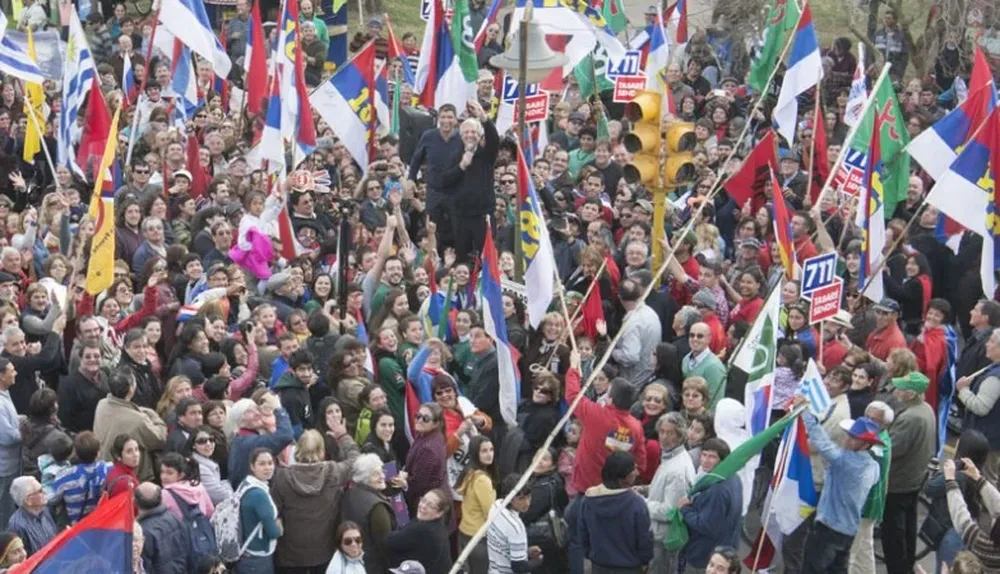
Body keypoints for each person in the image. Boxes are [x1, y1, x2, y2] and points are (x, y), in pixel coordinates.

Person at [789, 395, 882, 573]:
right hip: (849, 530)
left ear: (865, 444)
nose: (847, 440)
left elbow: (822, 443)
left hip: (828, 528)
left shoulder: (845, 461)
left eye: (853, 438)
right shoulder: (873, 466)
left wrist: (805, 413)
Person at [271, 427, 360, 573]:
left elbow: (273, 512)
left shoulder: (282, 477)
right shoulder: (333, 472)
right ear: (322, 452)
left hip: (290, 556)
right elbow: (355, 460)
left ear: (298, 449)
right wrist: (344, 436)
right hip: (323, 555)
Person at [564, 350, 646, 495]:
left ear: (610, 399)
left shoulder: (596, 415)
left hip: (587, 487)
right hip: (616, 490)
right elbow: (640, 462)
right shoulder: (636, 427)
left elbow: (572, 396)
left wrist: (573, 367)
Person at [883, 371, 937, 574]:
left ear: (911, 394)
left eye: (900, 388)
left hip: (898, 482)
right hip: (914, 479)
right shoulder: (926, 410)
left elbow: (891, 449)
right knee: (908, 528)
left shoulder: (909, 418)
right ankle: (907, 566)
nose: (896, 390)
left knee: (894, 535)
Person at [578, 451, 653, 573]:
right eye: (633, 469)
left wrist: (590, 554)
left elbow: (583, 533)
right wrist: (645, 561)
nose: (637, 473)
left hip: (599, 566)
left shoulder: (588, 500)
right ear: (623, 475)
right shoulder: (636, 504)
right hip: (629, 568)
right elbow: (644, 539)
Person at [641, 412, 695, 574]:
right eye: (662, 431)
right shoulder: (670, 457)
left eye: (670, 433)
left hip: (663, 539)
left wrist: (642, 502)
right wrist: (645, 489)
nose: (664, 437)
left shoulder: (678, 469)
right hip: (658, 535)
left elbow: (669, 511)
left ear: (680, 436)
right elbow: (664, 489)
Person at [677, 438, 741, 571]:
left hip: (705, 556)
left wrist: (685, 508)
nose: (705, 460)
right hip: (725, 550)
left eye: (712, 457)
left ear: (723, 460)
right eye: (704, 455)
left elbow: (705, 525)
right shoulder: (733, 477)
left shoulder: (717, 489)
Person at [93, 369, 167, 482]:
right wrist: (155, 418)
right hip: (130, 478)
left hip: (104, 471)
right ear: (131, 389)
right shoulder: (138, 420)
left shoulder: (101, 404)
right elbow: (159, 439)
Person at [956, 327, 1000, 484]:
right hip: (990, 440)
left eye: (992, 341)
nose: (987, 344)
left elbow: (980, 407)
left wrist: (963, 390)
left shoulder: (995, 378)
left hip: (984, 441)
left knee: (983, 481)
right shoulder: (993, 368)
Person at [340, 453, 397, 574]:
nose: (382, 476)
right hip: (373, 565)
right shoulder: (377, 507)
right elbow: (385, 544)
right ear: (365, 478)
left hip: (352, 560)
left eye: (381, 471)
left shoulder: (350, 493)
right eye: (376, 474)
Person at [227, 393, 295, 487]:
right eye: (250, 411)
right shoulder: (248, 442)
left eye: (256, 409)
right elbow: (285, 436)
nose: (257, 413)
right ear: (240, 420)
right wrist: (278, 409)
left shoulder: (242, 438)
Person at [236, 448, 283, 574]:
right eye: (262, 464)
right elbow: (273, 532)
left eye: (270, 463)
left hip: (246, 554)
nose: (268, 468)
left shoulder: (245, 484)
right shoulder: (258, 495)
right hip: (258, 558)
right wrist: (279, 526)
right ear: (252, 466)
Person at [387, 488, 454, 574]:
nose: (423, 506)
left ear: (440, 513)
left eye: (430, 505)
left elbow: (389, 541)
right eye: (423, 500)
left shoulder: (423, 529)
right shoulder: (439, 526)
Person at [487, 474, 544, 574]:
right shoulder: (516, 527)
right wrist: (538, 561)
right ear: (509, 497)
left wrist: (525, 551)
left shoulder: (496, 506)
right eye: (521, 498)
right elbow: (519, 567)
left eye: (528, 497)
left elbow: (503, 547)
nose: (527, 503)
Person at [456, 436, 496, 574]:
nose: (489, 454)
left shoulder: (469, 473)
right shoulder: (482, 480)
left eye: (491, 449)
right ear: (475, 453)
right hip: (479, 537)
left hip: (465, 532)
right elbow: (490, 514)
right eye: (484, 451)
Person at [135, 482, 191, 574]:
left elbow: (145, 566)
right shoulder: (174, 518)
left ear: (136, 502)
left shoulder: (142, 532)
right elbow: (187, 549)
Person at [404, 403, 447, 516]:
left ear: (436, 423)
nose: (419, 420)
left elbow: (418, 485)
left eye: (425, 418)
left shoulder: (429, 449)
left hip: (424, 506)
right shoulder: (424, 436)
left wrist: (403, 482)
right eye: (418, 416)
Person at [7, 475, 57, 556]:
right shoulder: (17, 526)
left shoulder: (45, 510)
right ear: (28, 500)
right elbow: (21, 558)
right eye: (40, 491)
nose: (45, 492)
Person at [681, 323, 727, 410]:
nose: (695, 339)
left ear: (709, 339)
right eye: (692, 335)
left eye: (700, 336)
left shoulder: (714, 367)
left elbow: (715, 400)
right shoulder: (686, 359)